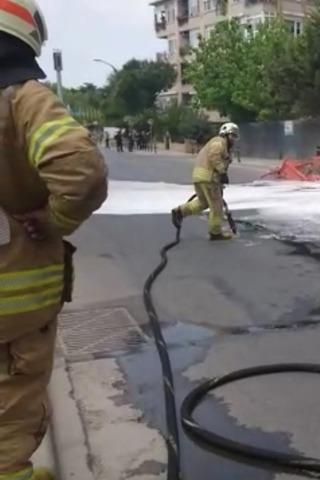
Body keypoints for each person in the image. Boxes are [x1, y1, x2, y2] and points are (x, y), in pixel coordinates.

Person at [0, 2, 109, 479]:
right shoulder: (21, 98)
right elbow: (79, 171)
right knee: (10, 408)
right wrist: (55, 220)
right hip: (11, 312)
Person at [171, 123, 239, 241]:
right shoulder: (219, 142)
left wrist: (221, 179)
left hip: (200, 176)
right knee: (216, 206)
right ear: (225, 134)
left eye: (235, 136)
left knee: (203, 203)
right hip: (208, 178)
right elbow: (214, 157)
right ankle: (215, 233)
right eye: (232, 135)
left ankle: (180, 212)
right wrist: (222, 172)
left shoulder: (222, 144)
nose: (233, 139)